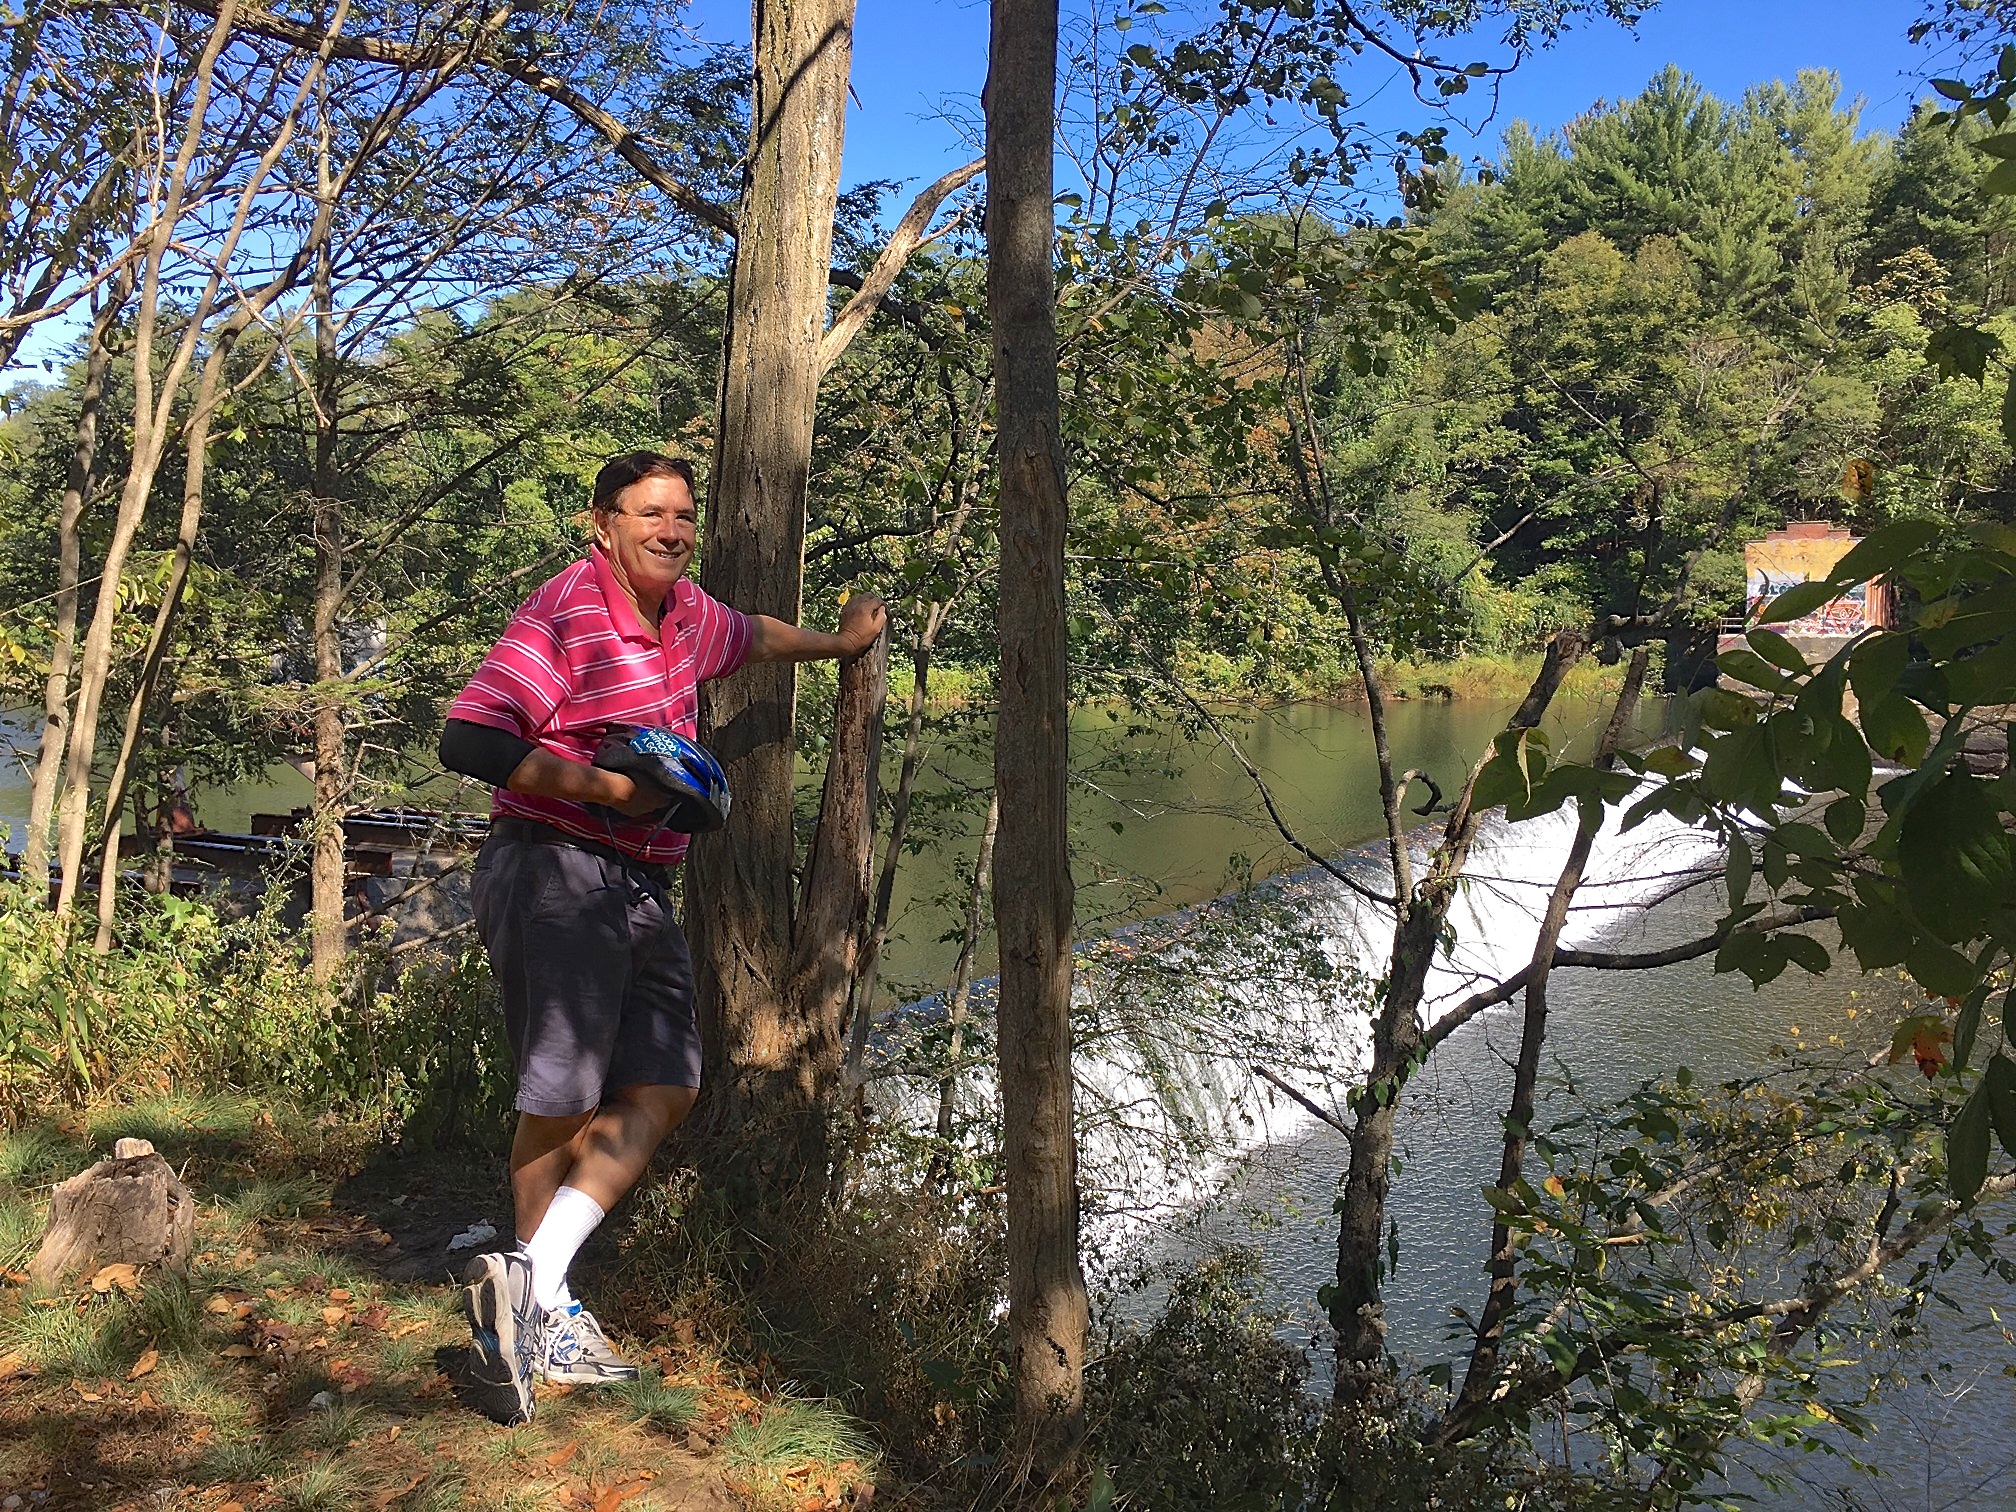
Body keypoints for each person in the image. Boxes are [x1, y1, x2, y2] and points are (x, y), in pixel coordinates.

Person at [437, 450, 885, 1426]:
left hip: (640, 885)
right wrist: (609, 789)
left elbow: (754, 634)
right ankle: (534, 1320)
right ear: (604, 523)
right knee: (560, 1099)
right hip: (552, 865)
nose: (672, 530)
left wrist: (843, 644)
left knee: (667, 1084)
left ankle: (530, 1278)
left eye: (683, 515)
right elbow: (469, 738)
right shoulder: (565, 610)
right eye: (651, 514)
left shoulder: (685, 615)